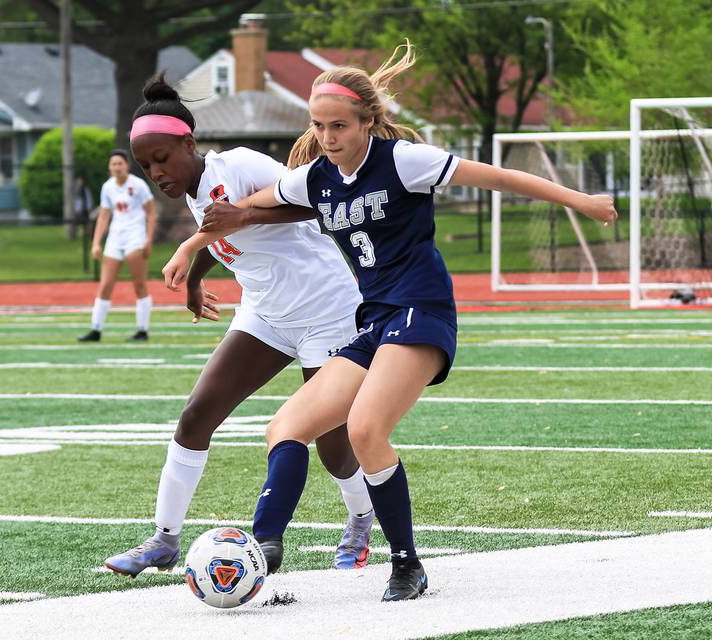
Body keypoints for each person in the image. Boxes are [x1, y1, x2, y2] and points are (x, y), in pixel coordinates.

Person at [165, 43, 618, 601]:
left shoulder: (405, 161)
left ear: (368, 122)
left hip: (423, 312)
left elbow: (499, 178)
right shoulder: (315, 178)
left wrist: (584, 201)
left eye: (339, 126)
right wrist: (193, 244)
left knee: (363, 429)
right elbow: (242, 209)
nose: (328, 138)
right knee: (284, 427)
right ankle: (265, 548)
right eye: (319, 127)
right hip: (375, 320)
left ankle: (406, 564)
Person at [103, 74, 374, 577]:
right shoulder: (192, 190)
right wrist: (193, 281)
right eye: (146, 166)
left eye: (162, 158)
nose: (156, 172)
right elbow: (216, 232)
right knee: (196, 416)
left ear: (189, 143)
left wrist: (244, 219)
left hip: (328, 312)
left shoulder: (241, 164)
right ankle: (163, 540)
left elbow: (317, 200)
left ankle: (361, 520)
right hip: (265, 315)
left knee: (332, 445)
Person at [78, 150, 156, 342]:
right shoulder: (108, 187)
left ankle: (142, 330)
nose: (117, 167)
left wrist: (148, 239)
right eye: (113, 164)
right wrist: (96, 243)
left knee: (139, 284)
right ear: (109, 167)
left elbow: (151, 213)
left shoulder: (138, 185)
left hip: (135, 237)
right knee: (105, 285)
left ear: (127, 165)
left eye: (120, 163)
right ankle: (96, 329)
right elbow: (104, 216)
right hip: (115, 239)